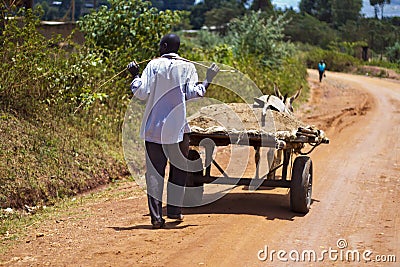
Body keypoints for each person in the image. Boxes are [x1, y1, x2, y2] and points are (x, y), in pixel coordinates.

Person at [127, 33, 219, 229]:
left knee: (154, 173)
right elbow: (195, 94)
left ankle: (156, 218)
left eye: (160, 45)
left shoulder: (153, 65)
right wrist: (208, 79)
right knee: (179, 170)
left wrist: (134, 75)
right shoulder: (188, 67)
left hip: (154, 130)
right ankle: (175, 211)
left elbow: (141, 93)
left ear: (165, 46)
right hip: (178, 129)